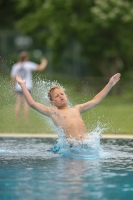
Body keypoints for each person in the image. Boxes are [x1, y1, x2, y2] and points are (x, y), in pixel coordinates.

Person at [15, 73, 121, 142]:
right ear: (52, 102)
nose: (60, 96)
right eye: (57, 96)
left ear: (66, 96)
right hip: (72, 148)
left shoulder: (77, 108)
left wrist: (110, 84)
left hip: (87, 146)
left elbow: (95, 100)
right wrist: (23, 85)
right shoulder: (54, 112)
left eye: (62, 94)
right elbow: (32, 103)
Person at [11, 51, 48, 123]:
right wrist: (44, 62)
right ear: (26, 58)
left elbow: (12, 77)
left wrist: (13, 86)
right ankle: (26, 120)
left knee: (18, 103)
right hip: (27, 86)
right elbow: (40, 68)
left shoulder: (16, 66)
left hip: (19, 87)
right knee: (26, 104)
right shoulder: (28, 64)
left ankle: (17, 120)